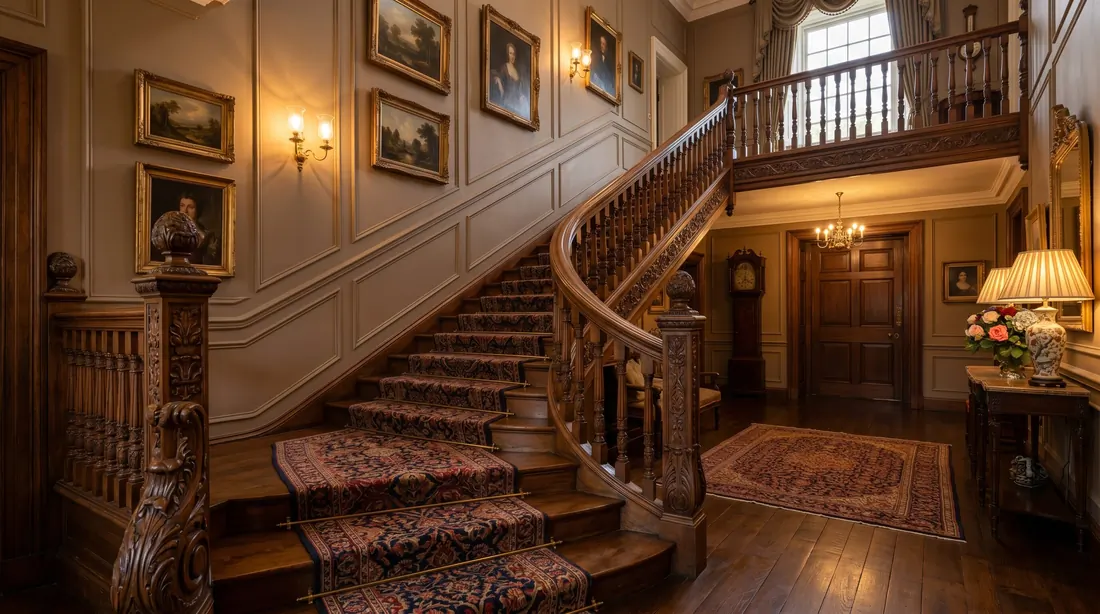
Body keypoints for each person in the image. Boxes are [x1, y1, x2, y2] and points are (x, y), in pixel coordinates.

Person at [174, 191, 220, 265]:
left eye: (190, 207)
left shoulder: (207, 235)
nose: (185, 211)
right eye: (182, 206)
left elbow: (210, 263)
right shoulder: (173, 229)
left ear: (198, 210)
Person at [490, 41, 529, 119]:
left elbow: (519, 90)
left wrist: (521, 96)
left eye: (513, 54)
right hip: (507, 101)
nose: (512, 56)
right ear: (507, 54)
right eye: (510, 53)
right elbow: (498, 77)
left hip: (517, 104)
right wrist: (498, 81)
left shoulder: (517, 70)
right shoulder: (504, 67)